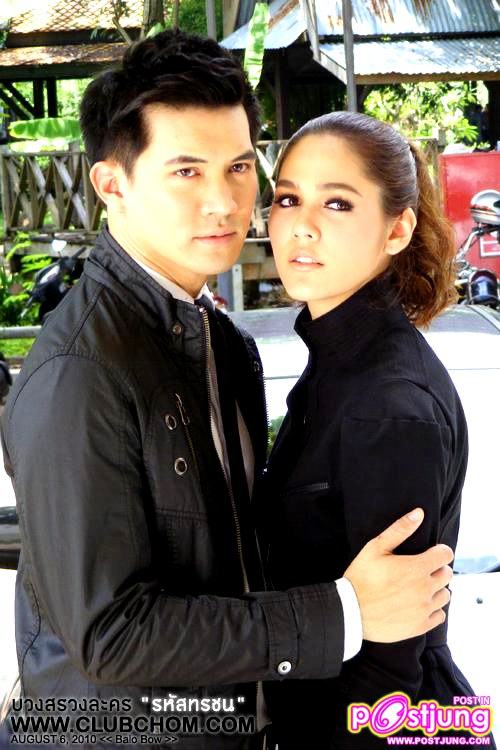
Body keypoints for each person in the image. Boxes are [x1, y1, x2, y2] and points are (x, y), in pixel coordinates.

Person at [0, 33, 454, 750]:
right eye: (186, 170)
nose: (223, 201)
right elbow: (110, 635)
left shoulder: (226, 348)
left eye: (240, 166)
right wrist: (340, 613)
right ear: (112, 184)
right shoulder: (80, 373)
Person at [262, 112, 495, 748]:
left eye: (337, 203)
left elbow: (389, 667)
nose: (302, 225)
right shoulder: (339, 363)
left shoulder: (386, 404)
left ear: (398, 229)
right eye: (288, 198)